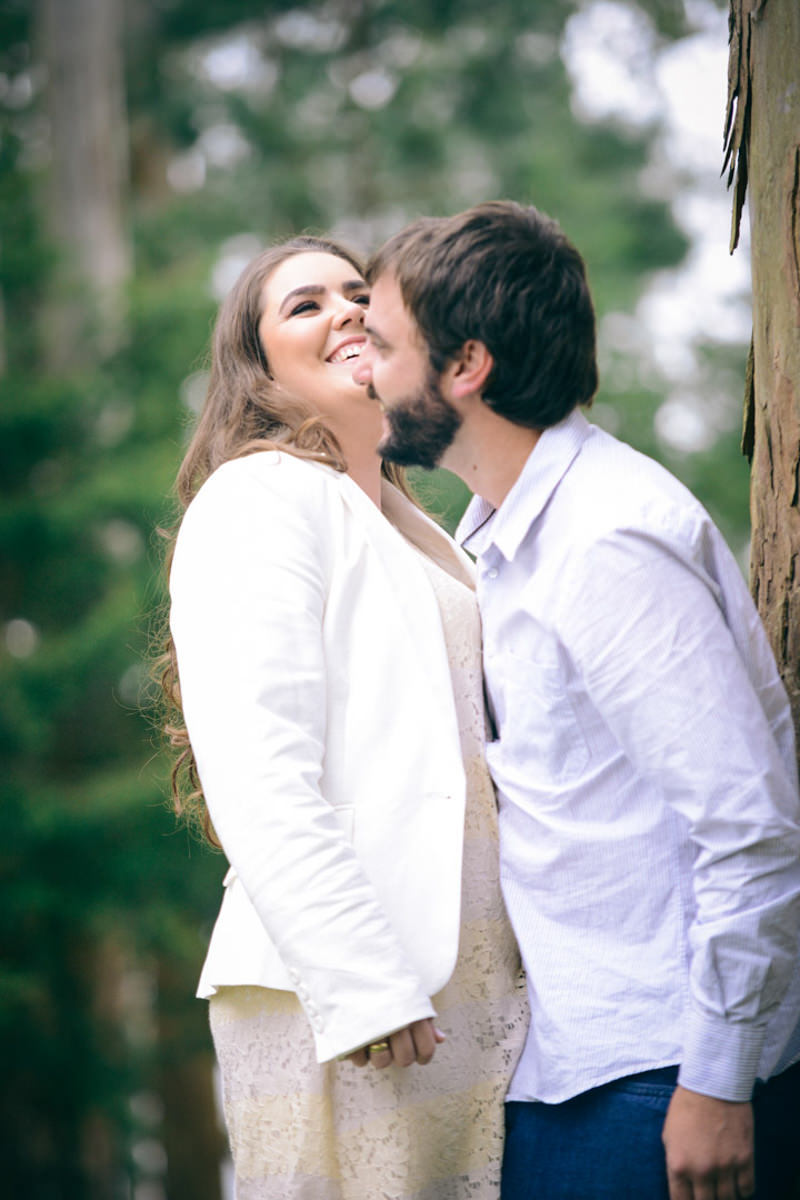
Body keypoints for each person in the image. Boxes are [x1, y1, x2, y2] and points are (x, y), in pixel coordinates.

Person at [353, 201, 800, 1200]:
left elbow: (749, 826)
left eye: (381, 344)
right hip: (570, 1065)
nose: (363, 370)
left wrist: (715, 1083)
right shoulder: (502, 541)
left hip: (658, 1080)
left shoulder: (605, 540)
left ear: (465, 366)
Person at [162, 234, 527, 1200]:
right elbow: (256, 769)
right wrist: (361, 980)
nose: (349, 312)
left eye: (360, 293)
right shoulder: (258, 499)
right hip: (348, 997)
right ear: (259, 368)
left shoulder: (417, 530)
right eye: (306, 304)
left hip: (468, 988)